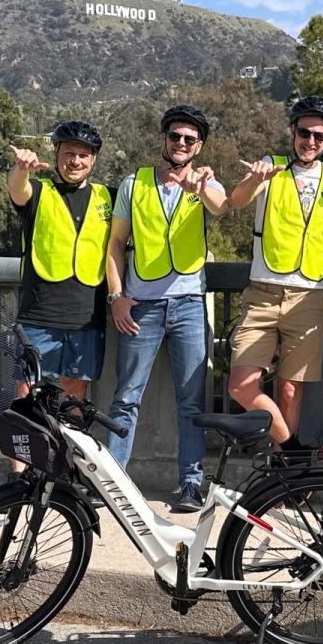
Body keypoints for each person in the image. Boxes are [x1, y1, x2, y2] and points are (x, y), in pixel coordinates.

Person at [226, 96, 323, 452]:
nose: (311, 141)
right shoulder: (270, 165)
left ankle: (283, 468)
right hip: (262, 294)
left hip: (309, 295)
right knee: (240, 385)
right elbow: (237, 200)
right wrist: (255, 179)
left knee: (291, 391)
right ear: (292, 131)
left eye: (319, 136)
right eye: (304, 132)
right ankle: (293, 450)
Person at [103, 105, 229, 512]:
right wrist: (116, 296)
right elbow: (115, 244)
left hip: (189, 303)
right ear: (163, 139)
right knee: (126, 397)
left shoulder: (205, 182)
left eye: (190, 139)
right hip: (141, 304)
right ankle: (113, 481)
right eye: (175, 136)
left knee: (191, 401)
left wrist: (200, 188)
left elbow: (221, 206)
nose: (181, 143)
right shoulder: (134, 183)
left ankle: (191, 484)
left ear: (199, 146)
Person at [7, 120, 112, 477]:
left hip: (87, 315)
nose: (75, 161)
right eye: (69, 153)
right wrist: (20, 169)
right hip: (39, 312)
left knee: (76, 393)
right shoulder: (39, 191)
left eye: (83, 155)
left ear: (93, 160)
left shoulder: (108, 197)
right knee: (27, 391)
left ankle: (66, 468)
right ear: (57, 154)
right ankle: (21, 471)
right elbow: (17, 189)